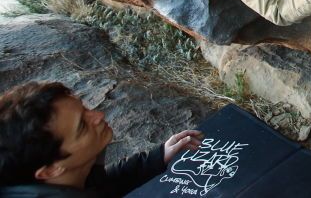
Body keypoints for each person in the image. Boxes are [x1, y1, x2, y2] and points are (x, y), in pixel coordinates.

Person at [0, 82, 202, 197]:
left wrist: (158, 157)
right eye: (82, 126)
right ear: (50, 170)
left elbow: (102, 186)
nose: (99, 116)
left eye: (84, 108)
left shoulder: (61, 179)